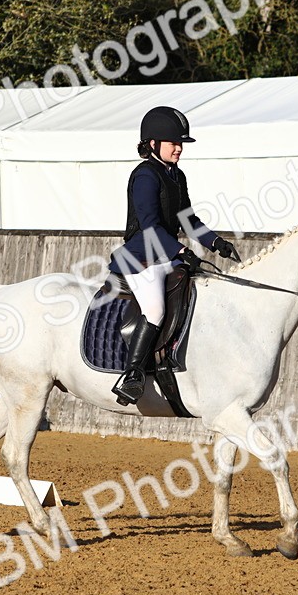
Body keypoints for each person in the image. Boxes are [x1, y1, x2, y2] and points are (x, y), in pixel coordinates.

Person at [106, 106, 240, 406]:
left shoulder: (176, 175)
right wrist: (181, 250)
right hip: (140, 256)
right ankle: (132, 375)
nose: (179, 148)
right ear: (152, 144)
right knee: (154, 310)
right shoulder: (144, 176)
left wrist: (216, 242)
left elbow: (188, 219)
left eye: (181, 143)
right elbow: (151, 225)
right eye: (173, 143)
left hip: (166, 254)